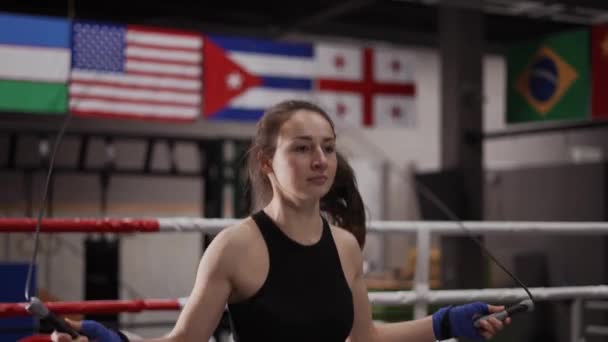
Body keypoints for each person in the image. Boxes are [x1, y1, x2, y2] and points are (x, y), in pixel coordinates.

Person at [53, 100, 510, 342]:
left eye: (328, 147)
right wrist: (114, 341)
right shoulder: (235, 248)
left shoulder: (345, 246)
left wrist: (447, 323)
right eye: (302, 147)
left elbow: (365, 337)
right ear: (266, 161)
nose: (320, 160)